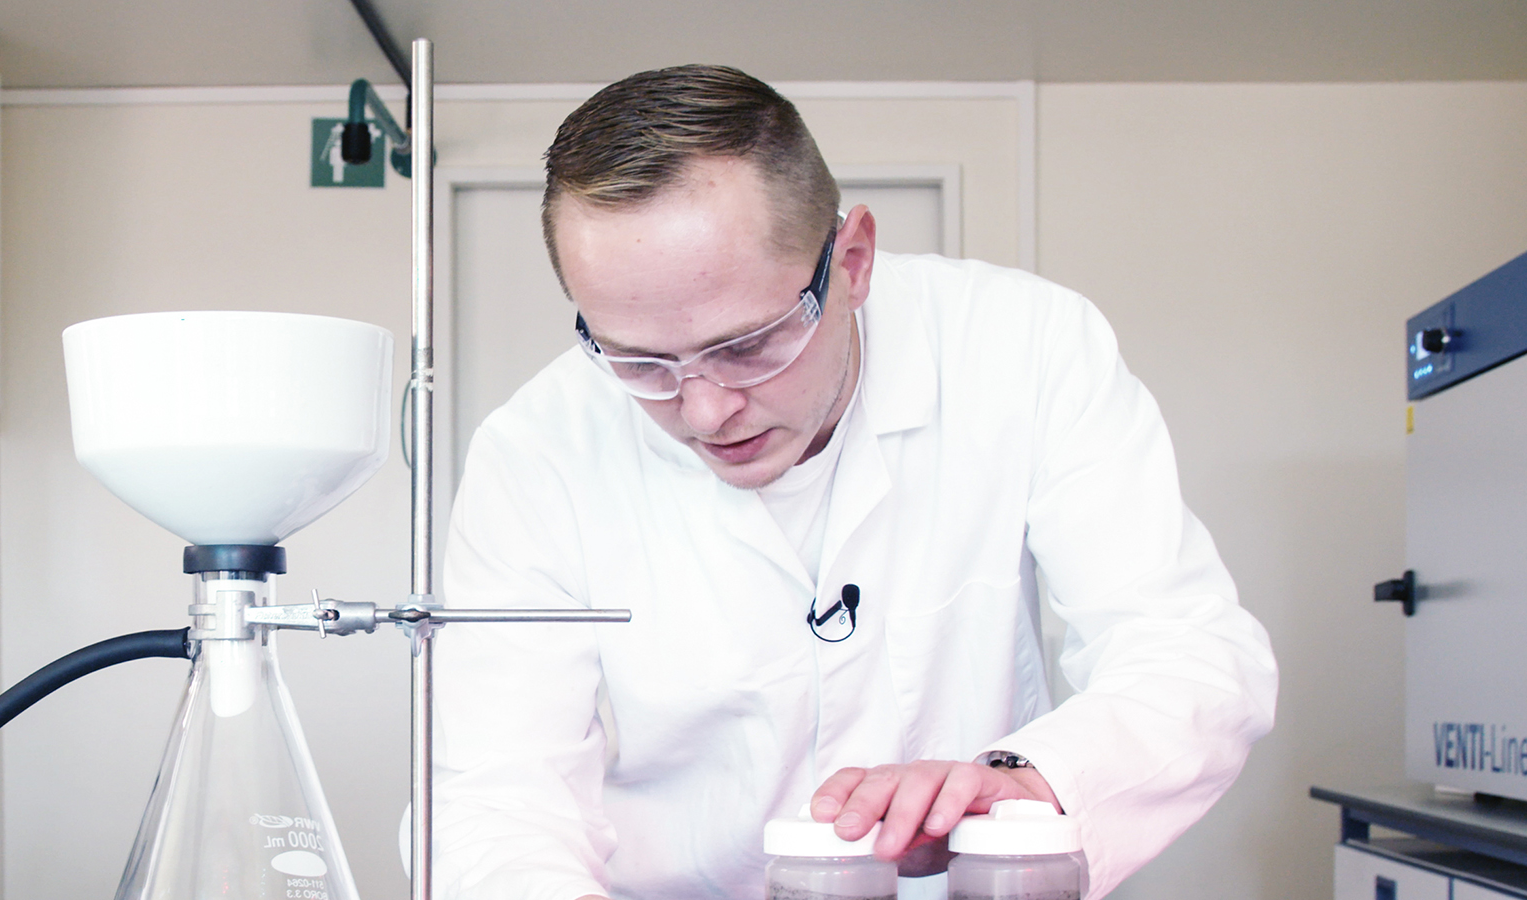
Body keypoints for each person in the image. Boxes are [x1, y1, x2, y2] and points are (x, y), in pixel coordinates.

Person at [431, 64, 1277, 900]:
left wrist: (1028, 780)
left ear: (853, 261)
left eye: (745, 344)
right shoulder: (534, 450)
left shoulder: (1020, 348)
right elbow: (499, 786)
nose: (704, 410)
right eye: (639, 361)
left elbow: (1187, 652)